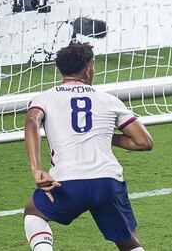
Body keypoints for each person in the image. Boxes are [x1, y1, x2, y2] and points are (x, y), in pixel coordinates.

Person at [23, 40, 153, 251]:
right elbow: (144, 142)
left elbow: (32, 122)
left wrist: (36, 168)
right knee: (129, 243)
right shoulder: (109, 100)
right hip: (107, 182)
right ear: (89, 70)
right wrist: (105, 136)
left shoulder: (44, 98)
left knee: (34, 212)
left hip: (66, 182)